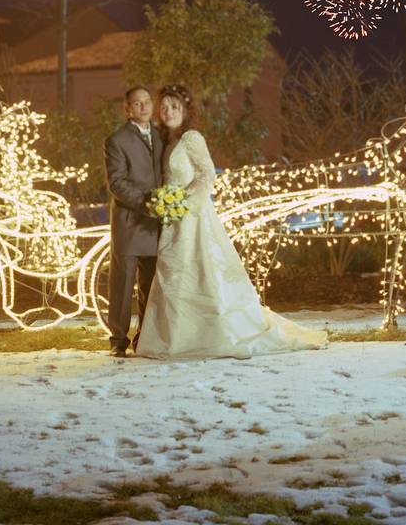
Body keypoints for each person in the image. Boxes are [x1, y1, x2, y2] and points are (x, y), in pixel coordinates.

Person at [136, 85, 327, 359]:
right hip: (173, 220)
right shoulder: (169, 143)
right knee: (173, 273)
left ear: (186, 110)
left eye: (174, 107)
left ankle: (214, 333)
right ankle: (178, 337)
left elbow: (206, 176)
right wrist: (168, 205)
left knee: (200, 271)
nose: (168, 112)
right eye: (164, 107)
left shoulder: (192, 138)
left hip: (193, 217)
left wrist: (183, 203)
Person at [103, 86, 164, 358]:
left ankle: (144, 337)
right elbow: (117, 182)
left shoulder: (162, 136)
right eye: (136, 103)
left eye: (147, 101)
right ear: (127, 109)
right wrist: (146, 202)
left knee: (151, 286)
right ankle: (118, 338)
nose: (143, 106)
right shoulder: (117, 140)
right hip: (130, 221)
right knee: (123, 284)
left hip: (156, 224)